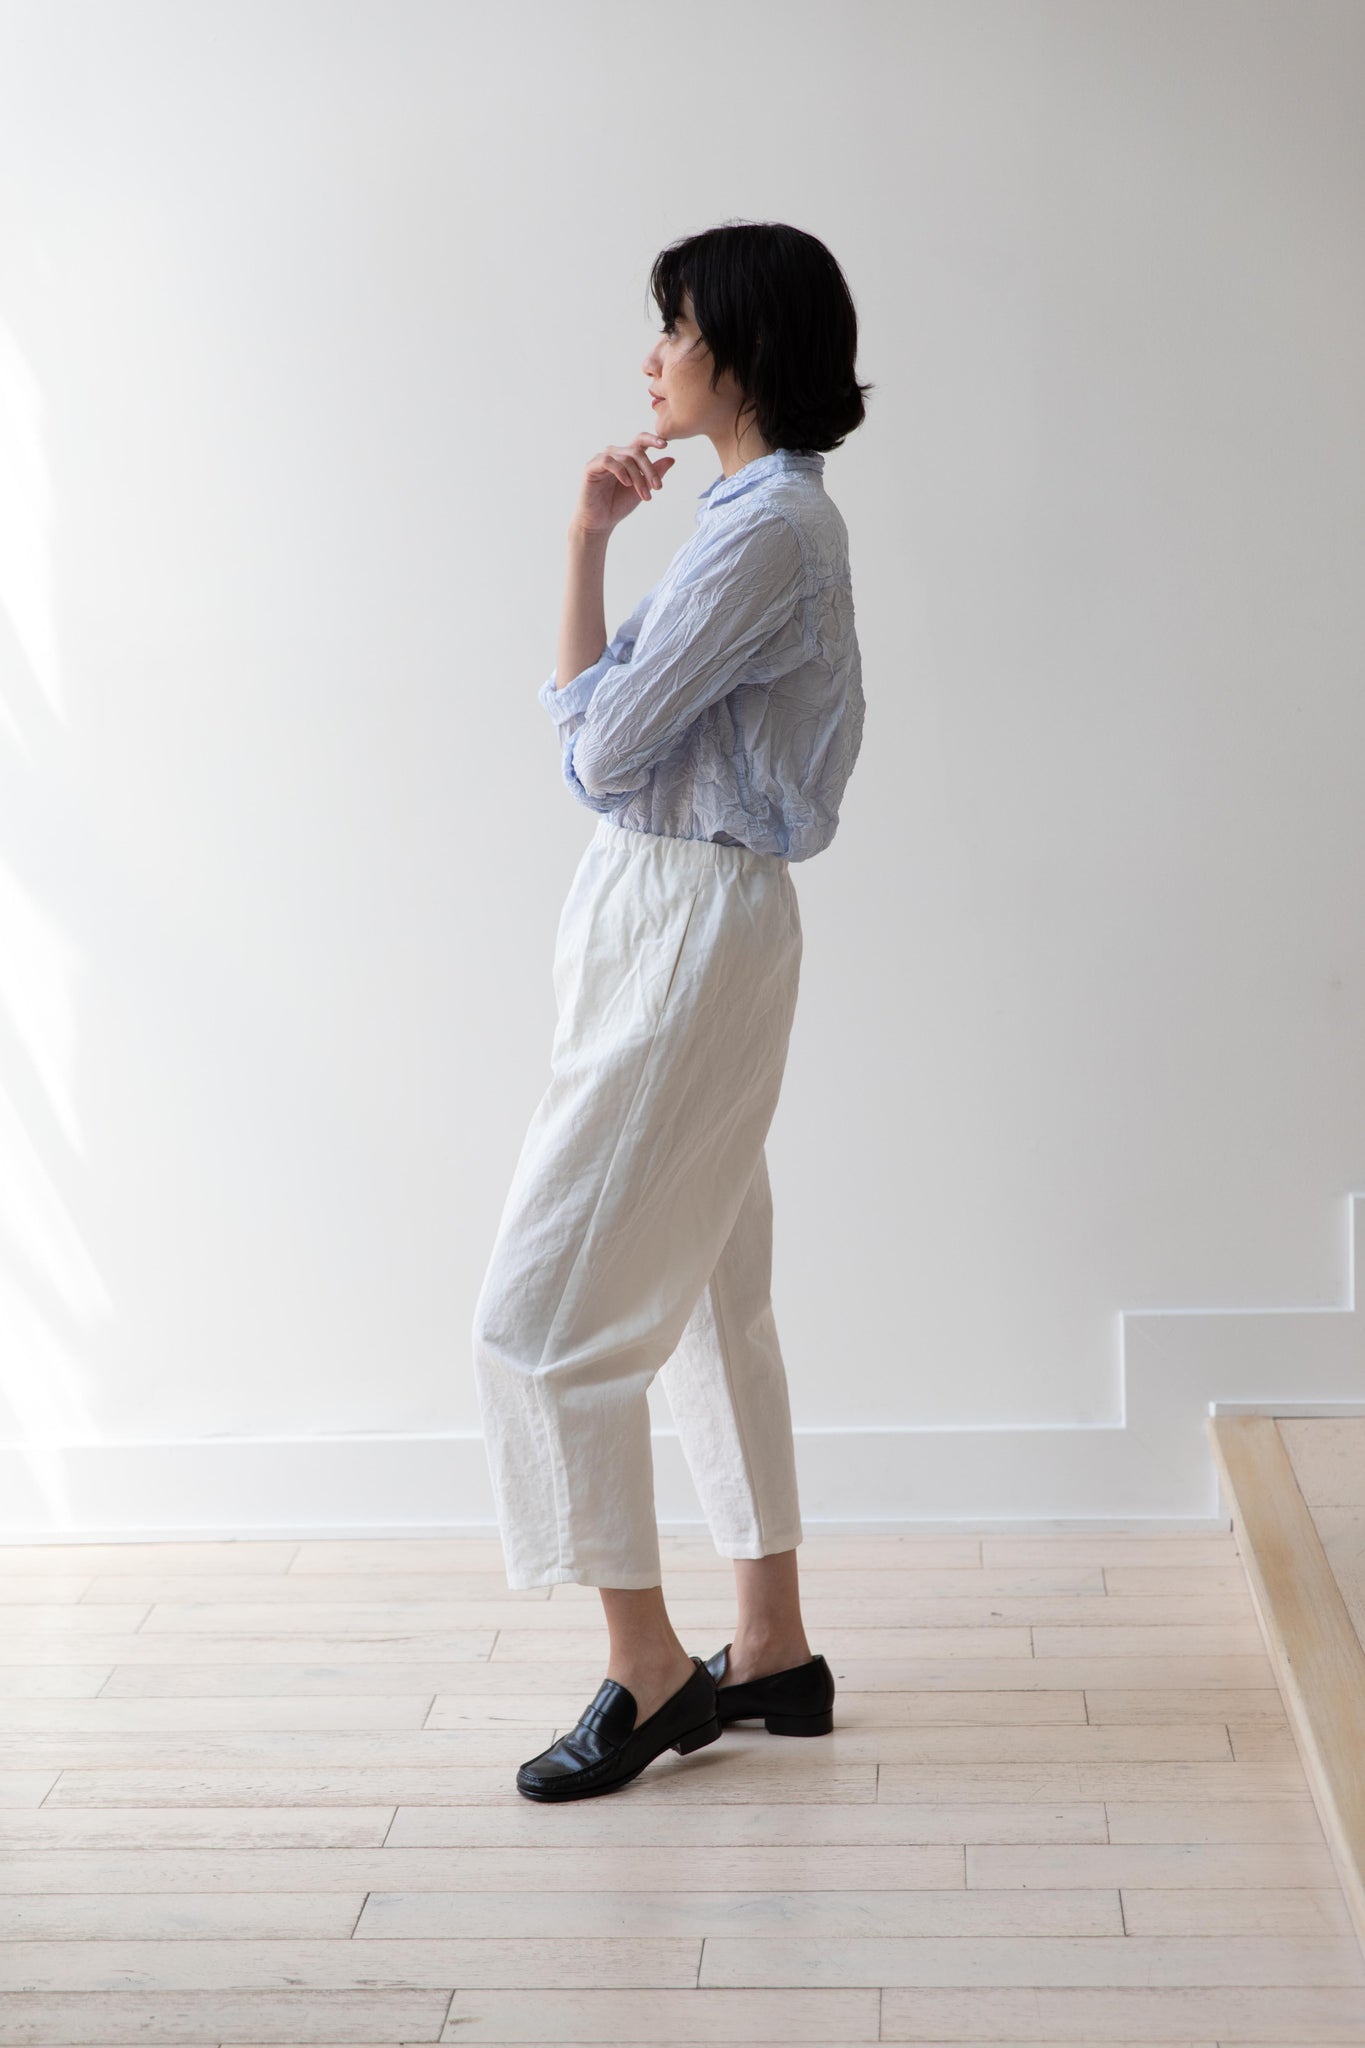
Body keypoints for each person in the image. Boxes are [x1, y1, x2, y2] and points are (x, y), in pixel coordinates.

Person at [471, 219, 870, 1801]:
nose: (652, 356)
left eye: (675, 329)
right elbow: (600, 735)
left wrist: (594, 702)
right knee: (709, 1295)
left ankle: (648, 1671)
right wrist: (585, 541)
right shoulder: (749, 517)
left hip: (684, 914)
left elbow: (597, 748)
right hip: (680, 907)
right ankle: (769, 1649)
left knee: (538, 1317)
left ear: (742, 354)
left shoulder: (763, 534)